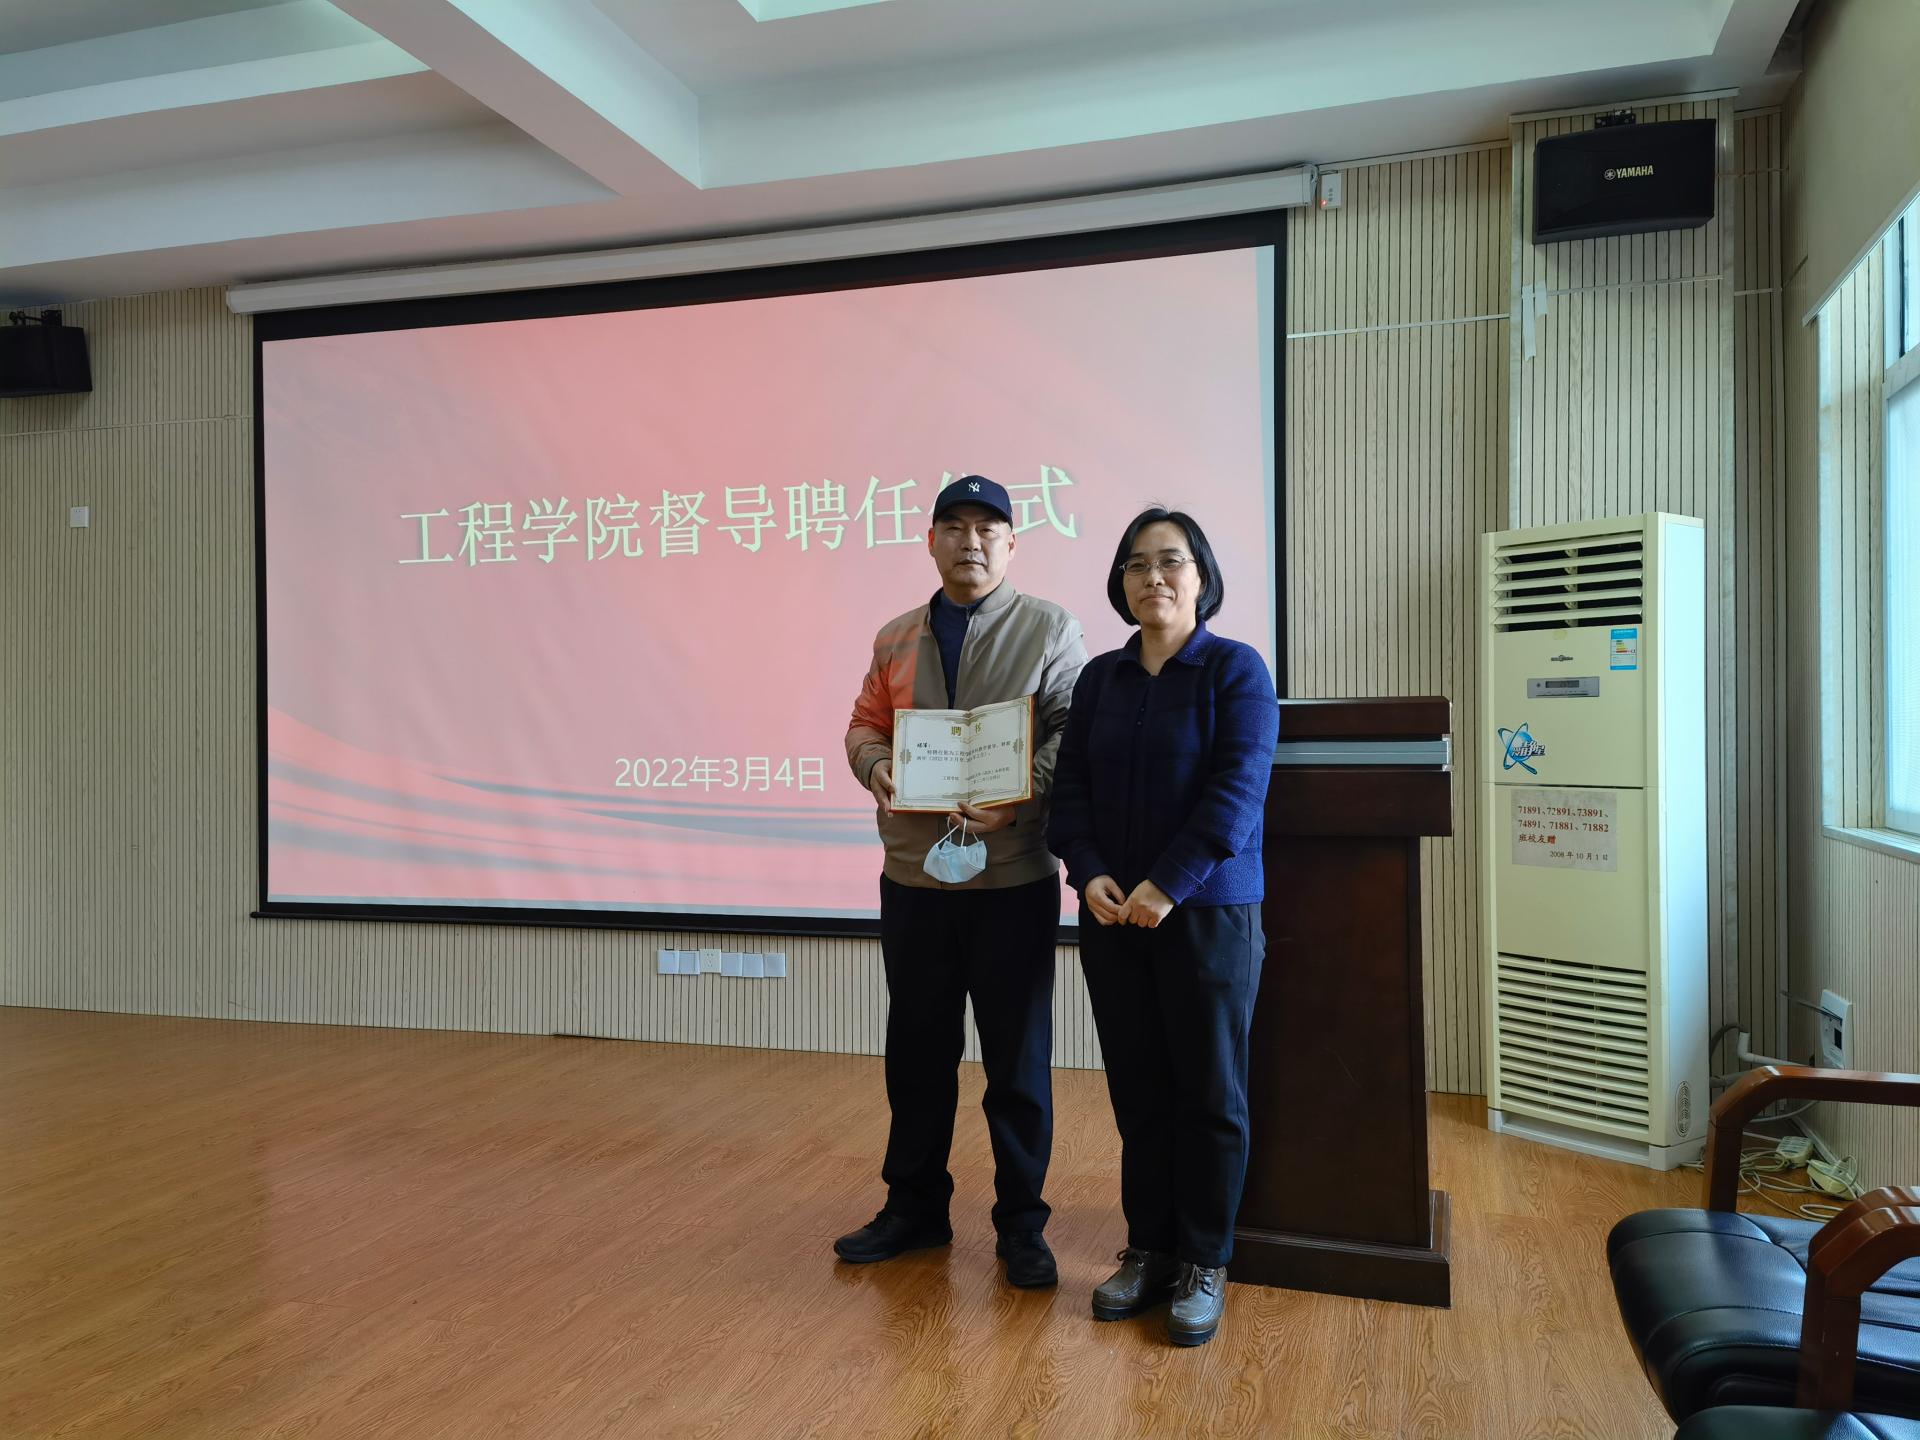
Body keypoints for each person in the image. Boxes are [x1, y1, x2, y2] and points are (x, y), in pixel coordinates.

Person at [838, 474, 1088, 1289]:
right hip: (914, 876)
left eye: (987, 528)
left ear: (1011, 544)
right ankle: (914, 1208)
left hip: (1012, 876)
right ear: (931, 540)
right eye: (954, 526)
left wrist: (1020, 794)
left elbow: (1072, 732)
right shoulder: (896, 637)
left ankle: (1022, 1225)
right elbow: (865, 725)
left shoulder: (1050, 627)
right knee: (916, 1053)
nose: (970, 541)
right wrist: (876, 765)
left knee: (1017, 1061)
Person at [1047, 506, 1278, 1347]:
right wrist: (1089, 870)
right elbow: (1070, 789)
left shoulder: (1235, 670)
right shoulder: (1100, 679)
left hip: (1207, 914)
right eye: (1137, 564)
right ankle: (1148, 1249)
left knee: (1209, 1093)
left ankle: (1205, 1260)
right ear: (1121, 582)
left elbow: (1237, 791)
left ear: (1201, 576)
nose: (1154, 577)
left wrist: (1168, 885)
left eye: (1171, 561)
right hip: (1113, 914)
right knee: (1138, 1091)